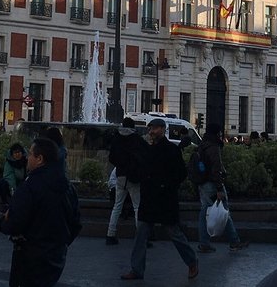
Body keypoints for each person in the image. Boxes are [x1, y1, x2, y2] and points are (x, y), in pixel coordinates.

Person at [120, 118, 199, 281]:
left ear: (163, 129)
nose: (151, 132)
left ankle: (192, 261)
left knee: (175, 233)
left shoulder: (171, 149)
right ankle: (136, 269)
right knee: (141, 234)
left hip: (164, 198)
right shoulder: (149, 149)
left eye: (154, 128)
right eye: (150, 129)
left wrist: (166, 185)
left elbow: (181, 174)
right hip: (149, 198)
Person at [0, 137, 81, 287]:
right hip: (56, 256)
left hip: (30, 256)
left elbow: (15, 223)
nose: (27, 157)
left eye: (30, 154)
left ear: (39, 159)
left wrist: (3, 222)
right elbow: (76, 223)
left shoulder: (30, 187)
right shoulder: (68, 187)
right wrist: (61, 244)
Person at [195, 123, 248, 253]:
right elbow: (216, 169)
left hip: (202, 183)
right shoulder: (213, 147)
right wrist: (219, 188)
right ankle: (234, 241)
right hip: (212, 184)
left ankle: (204, 242)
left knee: (204, 212)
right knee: (224, 211)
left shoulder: (203, 145)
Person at [105, 117, 145, 245]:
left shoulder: (117, 139)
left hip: (120, 175)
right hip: (133, 176)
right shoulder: (137, 139)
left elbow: (112, 158)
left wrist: (120, 164)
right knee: (137, 207)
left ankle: (110, 234)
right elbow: (145, 155)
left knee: (117, 206)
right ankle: (140, 237)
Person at [0, 143, 28, 208]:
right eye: (15, 153)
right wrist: (13, 191)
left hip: (23, 183)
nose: (17, 154)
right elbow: (9, 177)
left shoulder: (27, 160)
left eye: (19, 152)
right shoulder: (9, 163)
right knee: (2, 182)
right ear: (12, 154)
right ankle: (5, 203)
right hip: (11, 185)